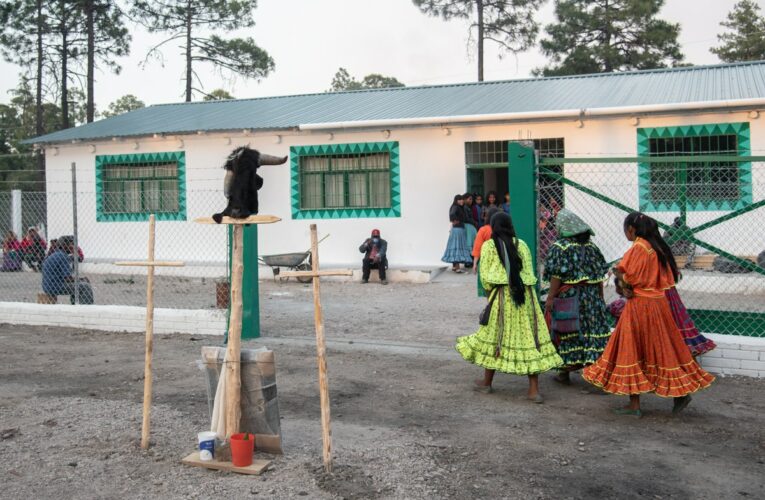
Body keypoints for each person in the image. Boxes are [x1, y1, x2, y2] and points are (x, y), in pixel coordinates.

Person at [582, 213, 714, 417]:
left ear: (632, 229)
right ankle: (680, 393)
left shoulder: (639, 247)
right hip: (659, 304)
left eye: (626, 228)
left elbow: (630, 277)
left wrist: (620, 277)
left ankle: (634, 405)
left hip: (640, 306)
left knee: (631, 349)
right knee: (662, 349)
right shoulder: (658, 248)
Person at [456, 212, 563, 403]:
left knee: (495, 337)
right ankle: (533, 390)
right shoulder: (522, 245)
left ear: (493, 227)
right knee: (530, 340)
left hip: (503, 298)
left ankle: (487, 383)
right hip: (525, 298)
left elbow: (486, 278)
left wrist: (491, 297)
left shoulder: (489, 245)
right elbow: (530, 275)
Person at [543, 209, 611, 384]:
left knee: (568, 330)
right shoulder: (592, 248)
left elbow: (556, 275)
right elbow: (598, 276)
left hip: (570, 297)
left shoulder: (560, 247)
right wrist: (600, 297)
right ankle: (596, 375)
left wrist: (550, 298)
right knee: (592, 332)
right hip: (592, 298)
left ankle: (565, 372)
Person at [42, 235, 94, 304]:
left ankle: (76, 304)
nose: (73, 247)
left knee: (77, 285)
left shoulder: (56, 254)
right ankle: (86, 308)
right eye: (71, 244)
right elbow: (67, 279)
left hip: (47, 285)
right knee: (85, 286)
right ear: (64, 245)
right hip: (55, 286)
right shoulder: (63, 257)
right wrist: (81, 279)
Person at [471, 206, 500, 297]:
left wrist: (475, 263)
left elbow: (477, 248)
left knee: (488, 286)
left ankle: (490, 305)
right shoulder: (501, 229)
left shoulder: (483, 230)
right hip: (500, 260)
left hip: (486, 261)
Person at [442, 194, 472, 273]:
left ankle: (454, 267)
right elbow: (452, 215)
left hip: (457, 229)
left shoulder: (457, 207)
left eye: (462, 199)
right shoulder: (456, 207)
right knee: (458, 247)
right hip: (458, 230)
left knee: (455, 246)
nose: (461, 201)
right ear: (456, 201)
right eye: (459, 200)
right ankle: (457, 268)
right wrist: (455, 221)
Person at [462, 192, 477, 269]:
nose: (471, 201)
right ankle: (468, 261)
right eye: (469, 199)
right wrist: (474, 222)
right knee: (469, 243)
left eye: (471, 199)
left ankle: (470, 260)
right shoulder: (464, 208)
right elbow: (466, 219)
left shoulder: (467, 207)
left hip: (470, 227)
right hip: (468, 227)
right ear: (465, 199)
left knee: (471, 243)